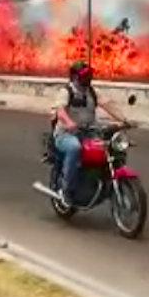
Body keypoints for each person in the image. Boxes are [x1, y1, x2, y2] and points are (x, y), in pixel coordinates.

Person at [52, 60, 128, 206]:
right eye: (84, 75)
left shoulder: (92, 92)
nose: (87, 78)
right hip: (66, 134)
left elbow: (109, 105)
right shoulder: (66, 91)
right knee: (75, 148)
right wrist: (69, 123)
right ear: (74, 76)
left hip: (89, 131)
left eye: (89, 75)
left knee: (112, 145)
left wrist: (124, 120)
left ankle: (106, 180)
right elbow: (60, 111)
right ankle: (67, 190)